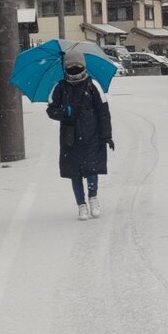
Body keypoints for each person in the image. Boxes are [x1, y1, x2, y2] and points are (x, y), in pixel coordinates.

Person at [47, 52, 114, 220]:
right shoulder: (60, 87)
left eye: (78, 67)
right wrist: (65, 112)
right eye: (70, 67)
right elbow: (51, 109)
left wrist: (107, 135)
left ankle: (93, 198)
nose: (74, 70)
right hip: (70, 138)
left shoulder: (93, 86)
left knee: (92, 169)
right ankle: (81, 205)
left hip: (93, 136)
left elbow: (103, 112)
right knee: (74, 172)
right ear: (65, 68)